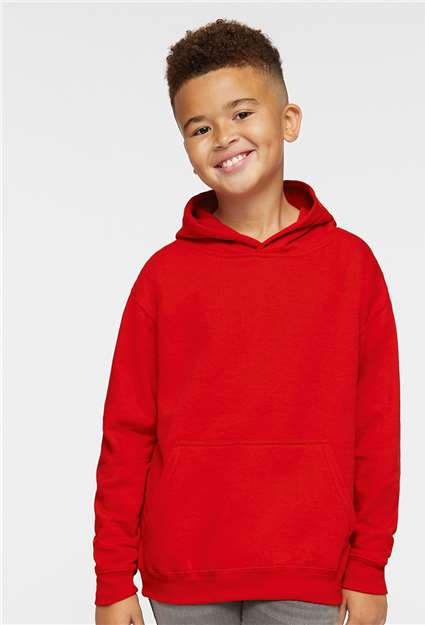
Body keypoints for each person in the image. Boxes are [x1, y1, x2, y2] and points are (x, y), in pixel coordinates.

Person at [93, 17, 401, 625]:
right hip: (184, 571)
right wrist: (111, 579)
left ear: (288, 120)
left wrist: (369, 565)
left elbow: (376, 430)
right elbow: (125, 436)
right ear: (185, 147)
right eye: (199, 127)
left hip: (308, 565)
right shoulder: (163, 278)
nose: (223, 137)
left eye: (241, 113)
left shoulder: (351, 267)